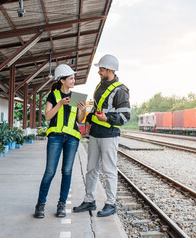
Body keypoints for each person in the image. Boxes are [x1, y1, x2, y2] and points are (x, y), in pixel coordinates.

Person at [73, 54, 130, 217]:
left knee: (109, 170)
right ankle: (89, 200)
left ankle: (111, 204)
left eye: (102, 69)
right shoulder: (99, 87)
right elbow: (97, 109)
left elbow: (125, 116)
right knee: (91, 169)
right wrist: (90, 118)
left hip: (110, 135)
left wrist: (107, 119)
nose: (99, 72)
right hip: (96, 134)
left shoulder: (121, 90)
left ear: (110, 70)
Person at [34, 64, 86, 218]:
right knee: (50, 171)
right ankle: (40, 204)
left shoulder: (77, 97)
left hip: (72, 138)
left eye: (73, 78)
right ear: (62, 80)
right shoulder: (53, 96)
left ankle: (61, 204)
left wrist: (82, 110)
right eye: (71, 78)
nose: (73, 81)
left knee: (67, 171)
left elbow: (80, 120)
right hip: (55, 137)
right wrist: (60, 104)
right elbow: (48, 117)